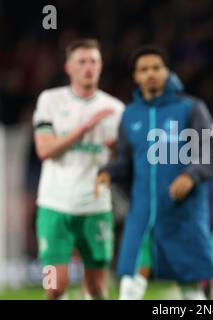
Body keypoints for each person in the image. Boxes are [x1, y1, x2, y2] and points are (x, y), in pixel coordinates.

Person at [95, 45, 213, 300]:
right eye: (143, 69)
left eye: (156, 67)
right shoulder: (130, 115)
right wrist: (108, 171)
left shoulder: (190, 109)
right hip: (142, 214)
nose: (150, 73)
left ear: (167, 71)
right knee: (130, 280)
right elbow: (126, 161)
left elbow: (212, 153)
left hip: (181, 212)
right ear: (135, 77)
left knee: (190, 287)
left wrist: (190, 176)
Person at [33, 39, 124, 300]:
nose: (88, 67)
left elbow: (125, 161)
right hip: (54, 206)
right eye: (81, 62)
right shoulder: (50, 100)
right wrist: (85, 127)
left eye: (93, 61)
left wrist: (118, 150)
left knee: (96, 288)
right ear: (68, 67)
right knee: (54, 287)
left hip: (95, 208)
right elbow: (44, 149)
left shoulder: (116, 109)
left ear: (101, 66)